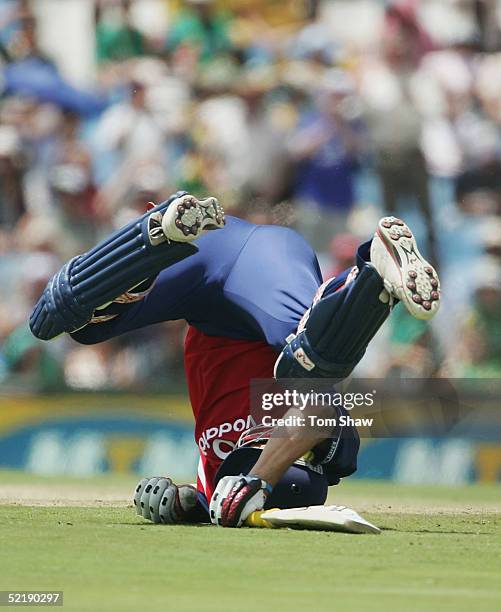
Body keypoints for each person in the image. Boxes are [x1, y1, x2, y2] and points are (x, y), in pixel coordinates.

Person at [29, 191, 440, 527]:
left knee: (69, 321)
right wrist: (259, 480)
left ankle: (152, 233)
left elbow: (201, 500)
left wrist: (177, 503)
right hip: (265, 260)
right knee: (305, 365)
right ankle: (371, 272)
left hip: (201, 271)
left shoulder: (216, 480)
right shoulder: (327, 449)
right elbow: (317, 413)